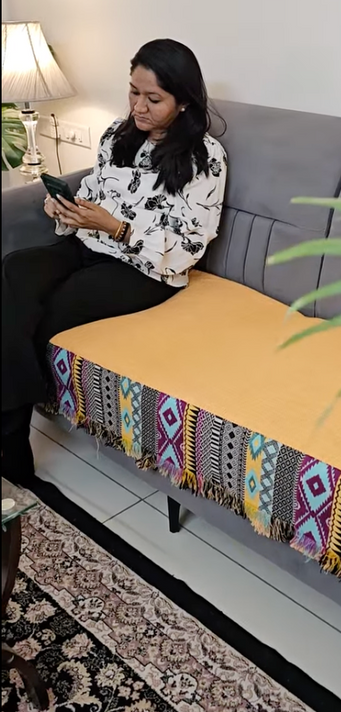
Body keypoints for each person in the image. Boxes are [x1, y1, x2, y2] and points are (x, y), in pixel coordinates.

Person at [2, 39, 227, 484]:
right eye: (133, 92)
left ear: (183, 102)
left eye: (153, 99)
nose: (138, 107)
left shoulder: (205, 158)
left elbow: (189, 246)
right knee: (13, 270)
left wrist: (118, 228)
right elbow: (94, 194)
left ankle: (11, 449)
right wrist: (66, 209)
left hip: (143, 270)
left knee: (48, 309)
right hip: (88, 244)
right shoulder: (116, 135)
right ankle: (12, 436)